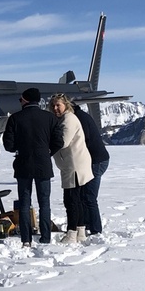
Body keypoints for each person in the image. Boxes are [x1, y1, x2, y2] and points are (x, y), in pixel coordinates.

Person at [3, 87, 63, 246]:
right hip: (43, 164)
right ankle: (45, 237)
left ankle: (26, 238)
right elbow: (59, 142)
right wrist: (47, 152)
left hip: (23, 164)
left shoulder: (15, 118)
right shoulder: (50, 118)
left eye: (21, 99)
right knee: (45, 203)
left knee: (24, 202)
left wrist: (20, 147)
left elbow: (8, 145)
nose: (20, 102)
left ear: (26, 100)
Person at [49, 94, 94, 243]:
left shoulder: (68, 120)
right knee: (76, 199)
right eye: (53, 105)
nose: (55, 108)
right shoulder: (66, 118)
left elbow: (63, 141)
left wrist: (45, 149)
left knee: (71, 200)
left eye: (58, 105)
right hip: (74, 163)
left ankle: (71, 233)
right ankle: (80, 230)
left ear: (65, 105)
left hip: (74, 165)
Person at [74, 104, 110, 235]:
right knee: (85, 195)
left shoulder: (79, 119)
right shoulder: (81, 116)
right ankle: (88, 224)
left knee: (89, 196)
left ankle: (95, 229)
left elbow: (84, 141)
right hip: (95, 160)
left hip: (96, 161)